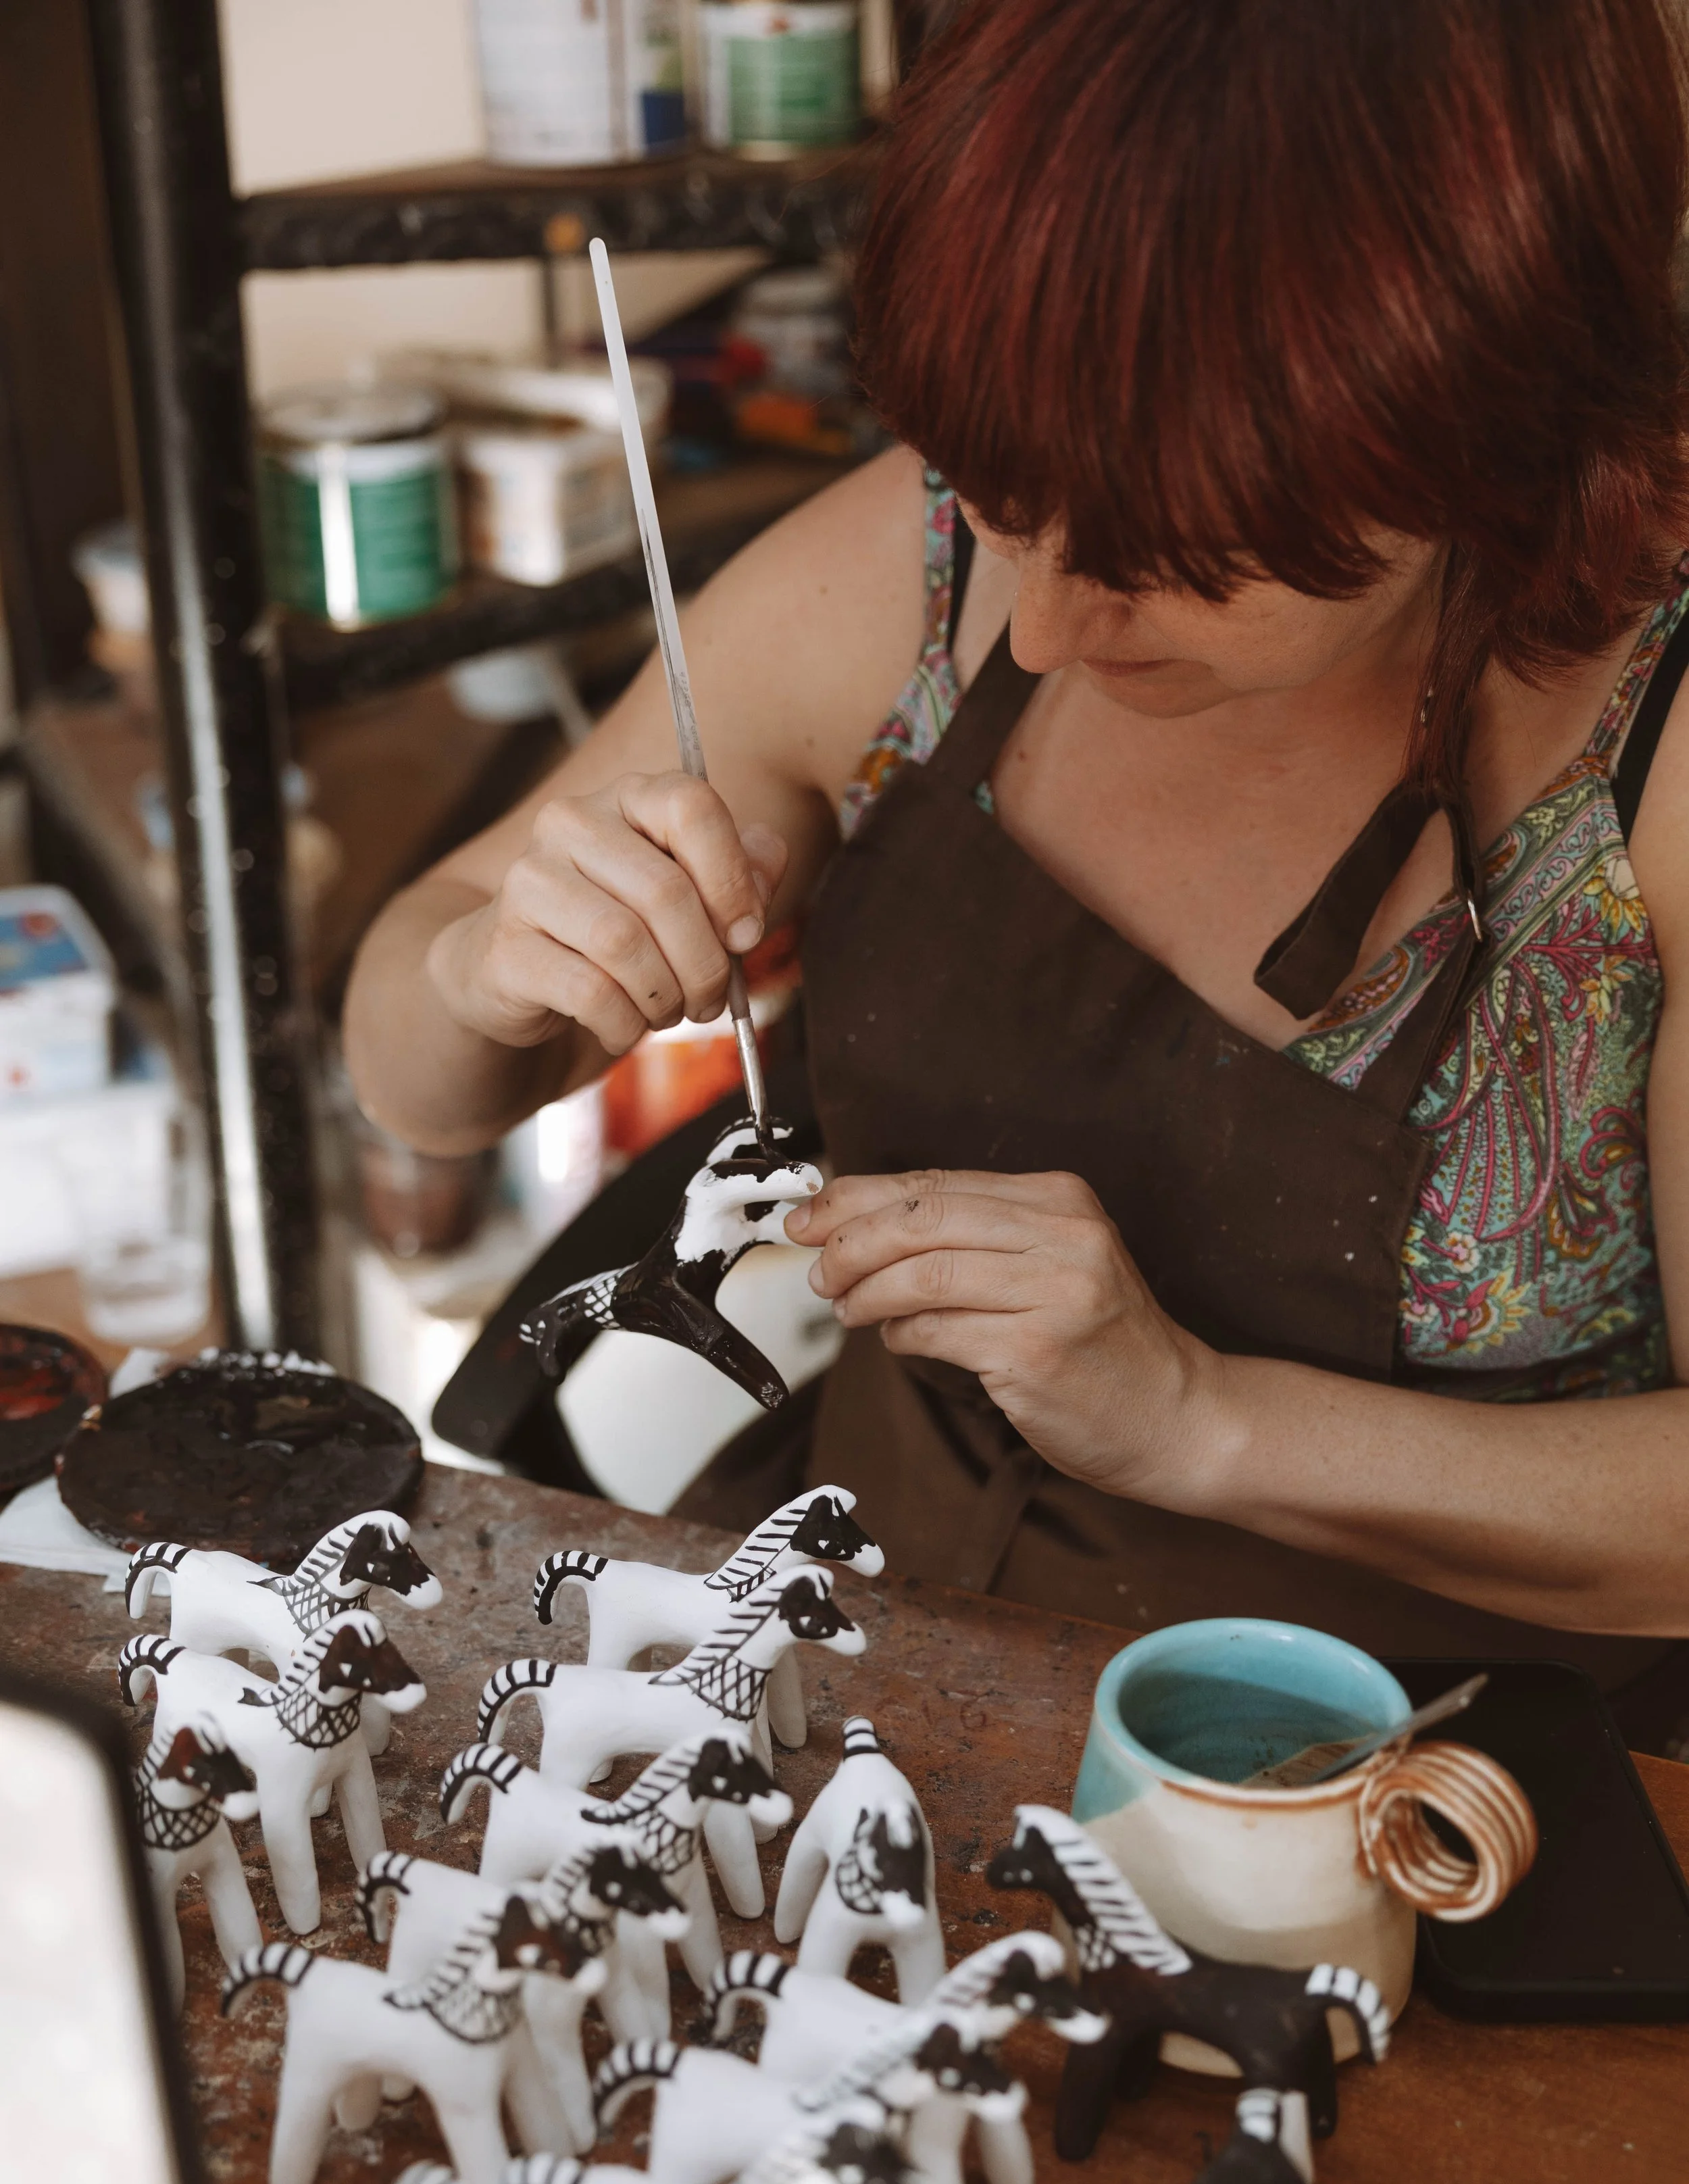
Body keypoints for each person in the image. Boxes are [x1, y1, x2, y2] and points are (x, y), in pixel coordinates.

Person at [346, 0, 1689, 1711]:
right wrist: (487, 971)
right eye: (1001, 491)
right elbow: (414, 1071)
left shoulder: (1639, 756)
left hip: (1445, 1802)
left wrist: (1198, 1420)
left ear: (1476, 433)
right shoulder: (907, 575)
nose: (1041, 626)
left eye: (1176, 552)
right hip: (864, 1666)